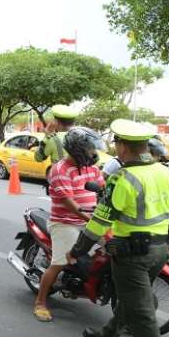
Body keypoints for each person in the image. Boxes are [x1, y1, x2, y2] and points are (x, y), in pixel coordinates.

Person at [67, 119, 169, 337]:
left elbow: (99, 222)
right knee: (133, 300)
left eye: (117, 143)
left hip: (130, 255)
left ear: (123, 147)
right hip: (159, 250)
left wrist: (77, 251)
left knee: (142, 312)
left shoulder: (123, 179)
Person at [32, 127, 105, 322]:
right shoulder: (60, 169)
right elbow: (70, 204)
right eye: (90, 149)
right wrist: (92, 221)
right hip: (66, 222)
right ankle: (40, 302)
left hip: (92, 219)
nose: (93, 153)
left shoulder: (92, 168)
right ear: (78, 149)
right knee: (60, 263)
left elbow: (104, 189)